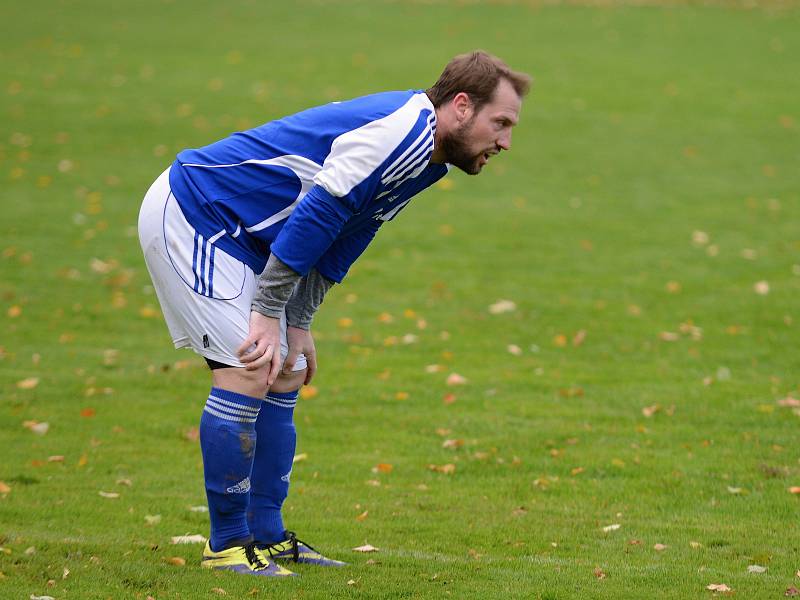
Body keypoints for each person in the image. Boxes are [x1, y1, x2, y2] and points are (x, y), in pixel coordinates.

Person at [138, 50, 530, 577]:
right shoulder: (400, 133)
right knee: (251, 366)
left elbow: (352, 228)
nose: (505, 141)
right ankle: (227, 545)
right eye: (500, 122)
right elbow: (321, 208)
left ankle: (267, 537)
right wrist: (268, 310)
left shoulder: (431, 159)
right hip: (198, 213)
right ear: (461, 106)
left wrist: (297, 322)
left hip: (246, 239)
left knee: (289, 369)